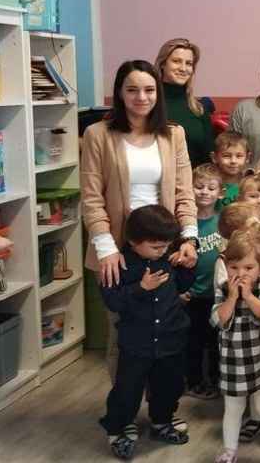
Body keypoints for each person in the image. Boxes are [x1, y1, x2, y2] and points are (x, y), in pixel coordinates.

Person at [81, 60, 198, 388]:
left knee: (164, 331)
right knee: (124, 335)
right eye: (132, 89)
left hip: (164, 246)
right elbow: (91, 198)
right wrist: (106, 250)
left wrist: (189, 239)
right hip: (117, 249)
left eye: (148, 90)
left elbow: (184, 192)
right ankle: (123, 414)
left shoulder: (173, 134)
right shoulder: (97, 135)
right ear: (119, 93)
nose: (141, 97)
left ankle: (160, 411)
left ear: (157, 93)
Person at [99, 205, 193, 460]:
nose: (162, 251)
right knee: (127, 390)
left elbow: (184, 286)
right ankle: (117, 430)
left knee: (169, 386)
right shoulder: (118, 265)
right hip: (136, 343)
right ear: (133, 241)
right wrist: (141, 288)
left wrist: (187, 267)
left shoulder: (168, 259)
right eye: (155, 246)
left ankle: (162, 421)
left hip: (170, 339)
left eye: (166, 245)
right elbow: (113, 302)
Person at [211, 229, 260, 463]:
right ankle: (229, 450)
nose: (240, 274)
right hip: (235, 360)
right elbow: (218, 319)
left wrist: (247, 296)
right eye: (234, 267)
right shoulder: (223, 289)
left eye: (248, 268)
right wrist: (233, 298)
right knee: (233, 408)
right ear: (226, 267)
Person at [184, 164, 225, 400]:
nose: (204, 192)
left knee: (215, 341)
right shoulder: (186, 226)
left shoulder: (222, 221)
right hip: (193, 295)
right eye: (198, 187)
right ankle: (195, 382)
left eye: (211, 188)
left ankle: (217, 380)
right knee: (194, 342)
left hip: (217, 294)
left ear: (220, 192)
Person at [156, 38, 215, 167]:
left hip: (195, 184)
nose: (183, 68)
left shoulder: (199, 108)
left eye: (189, 63)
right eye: (176, 61)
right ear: (162, 64)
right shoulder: (150, 105)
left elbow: (209, 158)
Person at [212, 132, 250, 208]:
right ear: (214, 157)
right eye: (226, 156)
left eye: (239, 156)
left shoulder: (250, 185)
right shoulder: (209, 185)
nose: (233, 161)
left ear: (247, 158)